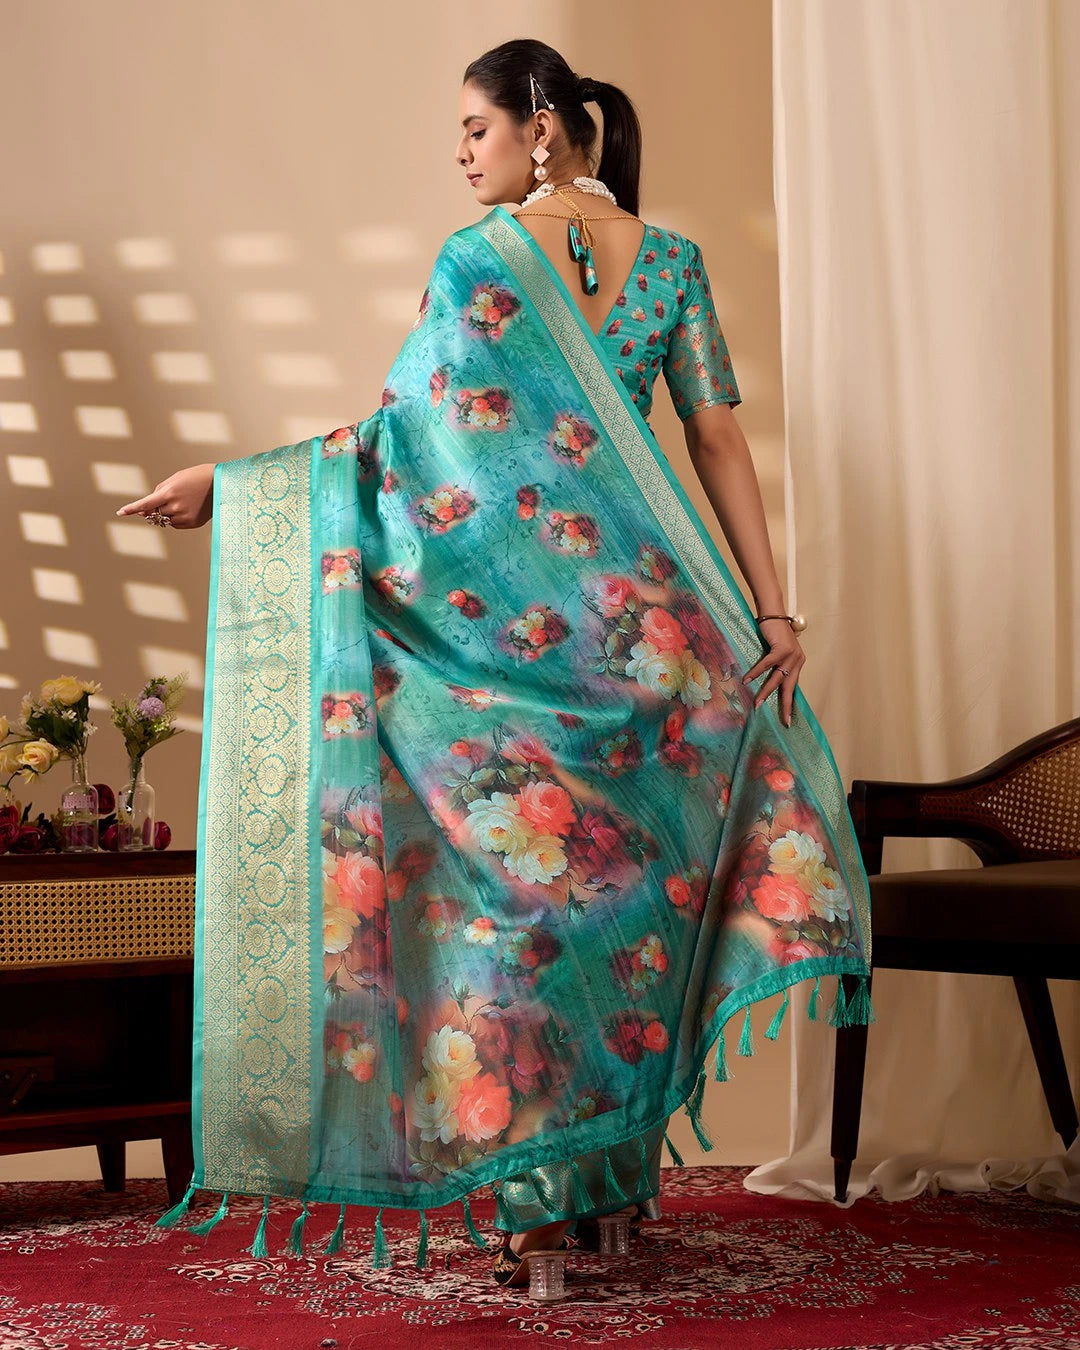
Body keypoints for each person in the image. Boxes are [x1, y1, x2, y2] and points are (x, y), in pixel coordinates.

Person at [118, 38, 873, 1299]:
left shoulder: (479, 263)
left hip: (510, 650)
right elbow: (720, 438)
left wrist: (239, 488)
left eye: (472, 128)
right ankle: (608, 1199)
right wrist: (771, 614)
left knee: (508, 917)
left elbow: (402, 443)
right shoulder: (672, 260)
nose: (459, 153)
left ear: (538, 125)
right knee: (622, 913)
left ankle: (536, 1211)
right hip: (658, 655)